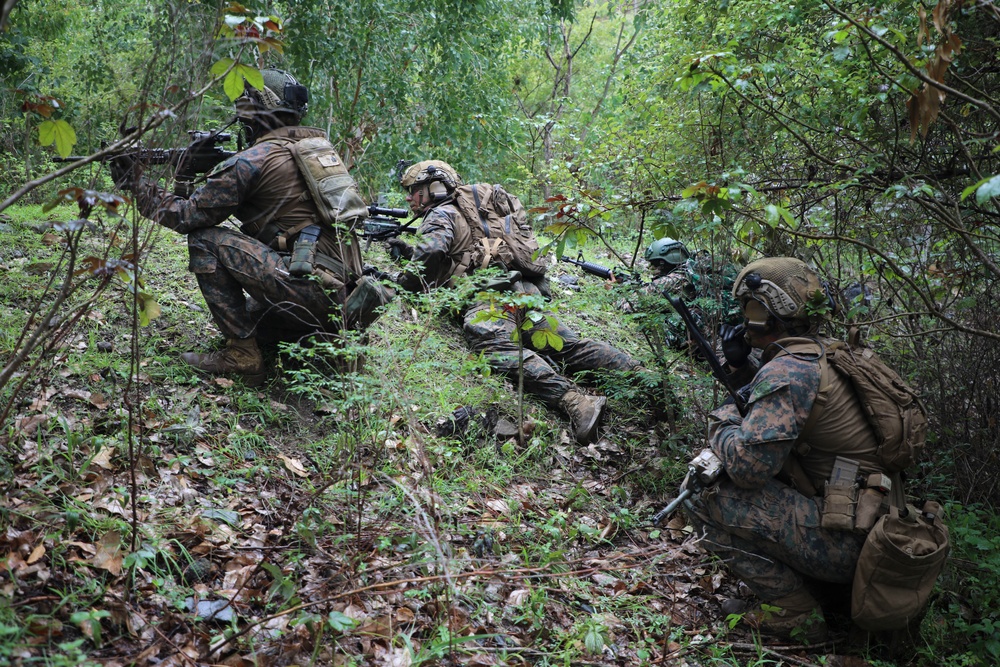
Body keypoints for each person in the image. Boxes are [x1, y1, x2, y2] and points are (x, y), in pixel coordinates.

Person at [112, 68, 390, 385]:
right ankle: (313, 334)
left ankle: (242, 355)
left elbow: (185, 217)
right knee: (257, 314)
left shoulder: (252, 160)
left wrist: (136, 184)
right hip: (349, 299)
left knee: (204, 239)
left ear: (255, 111)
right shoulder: (319, 153)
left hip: (312, 291)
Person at [682, 257, 909, 643]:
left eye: (750, 309)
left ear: (771, 313)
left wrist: (720, 421)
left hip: (850, 544)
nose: (744, 317)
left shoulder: (789, 370)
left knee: (706, 490)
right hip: (877, 525)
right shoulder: (826, 352)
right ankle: (818, 591)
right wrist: (741, 369)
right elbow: (786, 414)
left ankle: (795, 614)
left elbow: (749, 468)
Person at [386, 160, 641, 444]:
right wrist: (409, 253)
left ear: (434, 187)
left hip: (491, 301)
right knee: (567, 347)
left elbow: (433, 252)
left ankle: (575, 401)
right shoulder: (477, 210)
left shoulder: (440, 214)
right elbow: (464, 252)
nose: (409, 197)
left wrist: (403, 283)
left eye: (413, 190)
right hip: (524, 293)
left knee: (491, 344)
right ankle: (639, 374)